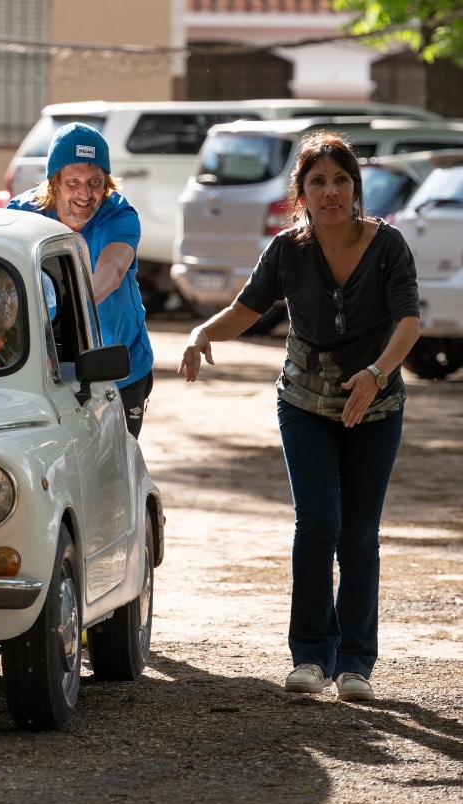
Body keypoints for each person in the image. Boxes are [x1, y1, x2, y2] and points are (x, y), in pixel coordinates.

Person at [177, 130, 421, 703]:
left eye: (341, 180)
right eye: (318, 182)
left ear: (356, 188)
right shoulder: (288, 249)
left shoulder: (389, 247)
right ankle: (311, 656)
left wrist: (377, 372)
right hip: (305, 405)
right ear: (302, 194)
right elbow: (246, 308)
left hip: (376, 405)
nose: (331, 191)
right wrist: (199, 333)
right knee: (317, 526)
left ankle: (356, 663)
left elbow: (408, 322)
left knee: (359, 536)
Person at [7, 122, 154, 438]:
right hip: (47, 368)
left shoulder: (119, 216)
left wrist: (57, 319)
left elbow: (111, 272)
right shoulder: (22, 215)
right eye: (73, 182)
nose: (85, 194)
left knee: (116, 468)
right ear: (54, 182)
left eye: (95, 182)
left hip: (119, 367)